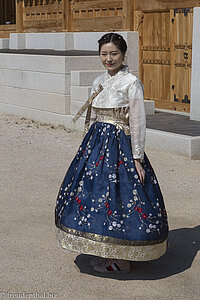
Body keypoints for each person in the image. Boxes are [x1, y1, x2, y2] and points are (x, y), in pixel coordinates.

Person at [55, 33, 168, 273]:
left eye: (114, 53)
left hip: (120, 145)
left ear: (124, 54)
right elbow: (93, 117)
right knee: (95, 194)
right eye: (104, 54)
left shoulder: (131, 82)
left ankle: (122, 257)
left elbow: (137, 122)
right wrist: (85, 148)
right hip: (96, 146)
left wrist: (137, 158)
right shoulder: (99, 81)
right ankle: (103, 249)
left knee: (121, 196)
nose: (109, 58)